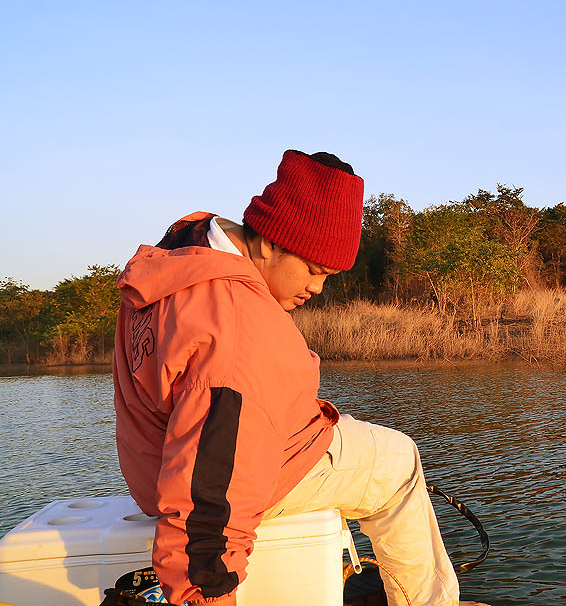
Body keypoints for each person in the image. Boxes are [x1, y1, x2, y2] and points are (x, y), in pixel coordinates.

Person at [113, 150, 486, 606]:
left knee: (347, 430)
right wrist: (203, 592)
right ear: (268, 242)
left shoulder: (182, 252)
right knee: (397, 459)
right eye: (314, 269)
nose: (316, 288)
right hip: (193, 484)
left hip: (150, 464)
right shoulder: (239, 331)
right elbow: (208, 492)